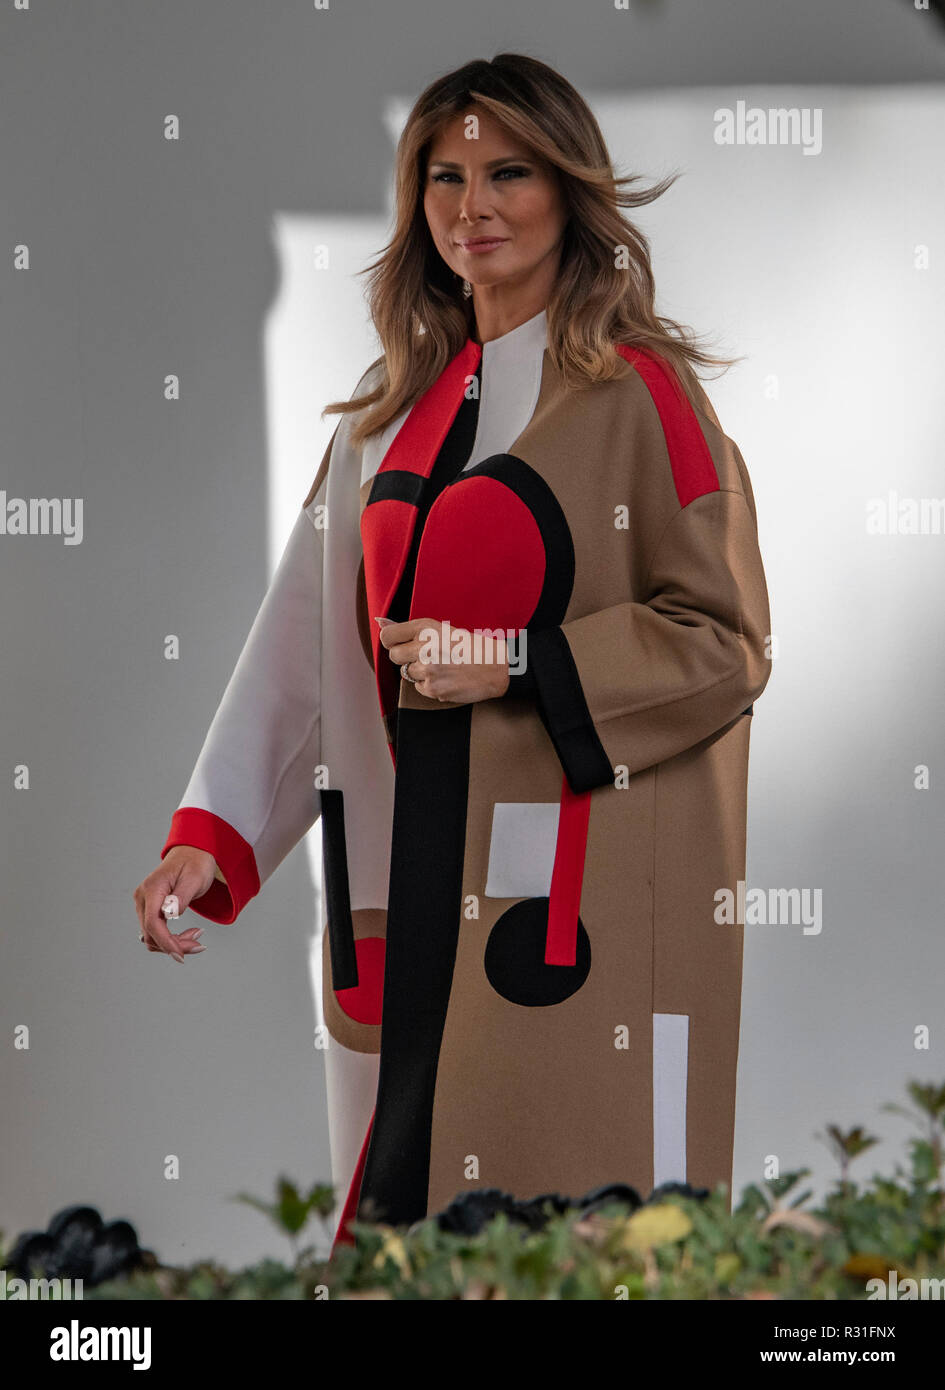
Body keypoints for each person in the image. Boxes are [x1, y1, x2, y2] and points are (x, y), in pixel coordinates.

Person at [132, 52, 772, 1254]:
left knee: (566, 1229)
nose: (472, 206)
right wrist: (205, 836)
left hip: (562, 905)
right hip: (406, 872)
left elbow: (725, 639)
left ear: (569, 192)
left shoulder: (644, 396)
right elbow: (306, 649)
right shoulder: (389, 410)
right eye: (446, 176)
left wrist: (520, 659)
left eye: (509, 173)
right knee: (402, 1227)